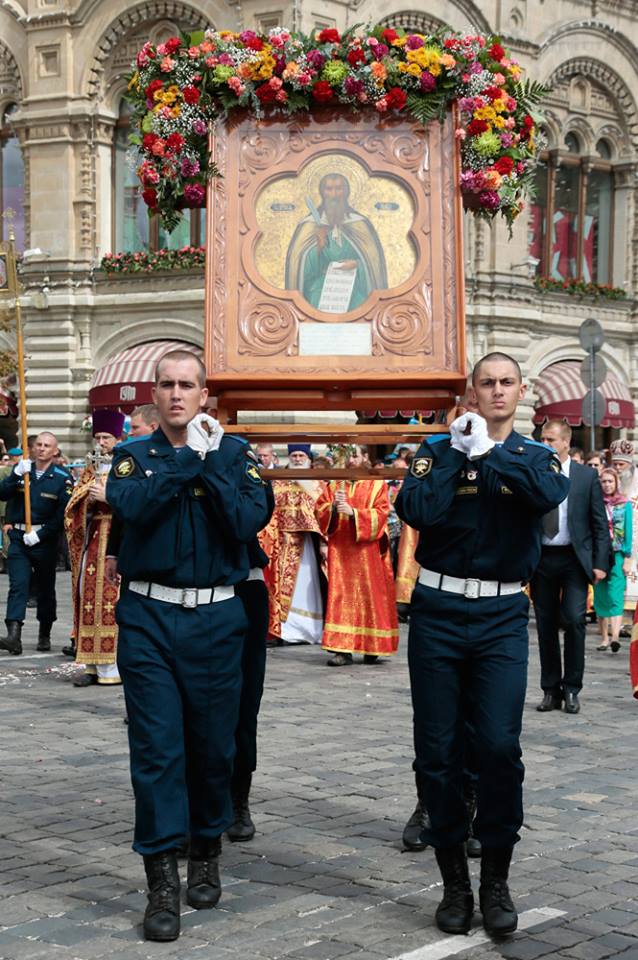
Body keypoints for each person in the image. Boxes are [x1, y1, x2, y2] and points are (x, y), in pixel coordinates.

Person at [395, 353, 569, 937]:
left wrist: (491, 453)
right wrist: (457, 454)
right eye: (487, 383)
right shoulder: (436, 451)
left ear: (521, 391)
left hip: (500, 615)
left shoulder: (534, 455)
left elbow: (547, 495)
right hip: (439, 611)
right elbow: (416, 509)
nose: (496, 391)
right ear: (472, 391)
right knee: (437, 752)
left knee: (497, 747)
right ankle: (453, 883)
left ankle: (496, 879)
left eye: (506, 383)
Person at [105, 349, 273, 942]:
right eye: (167, 384)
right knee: (156, 750)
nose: (177, 394)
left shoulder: (235, 455)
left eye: (187, 385)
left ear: (205, 396)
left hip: (217, 619)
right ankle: (160, 881)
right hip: (149, 617)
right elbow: (132, 507)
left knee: (212, 747)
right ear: (154, 394)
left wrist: (211, 461)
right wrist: (185, 461)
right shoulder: (132, 457)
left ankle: (205, 849)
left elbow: (247, 522)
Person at [533, 419, 610, 715]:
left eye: (550, 439)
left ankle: (572, 688)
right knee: (545, 624)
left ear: (566, 442)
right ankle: (550, 689)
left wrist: (600, 563)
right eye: (542, 439)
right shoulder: (536, 472)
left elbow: (599, 523)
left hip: (574, 559)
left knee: (575, 619)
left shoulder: (585, 477)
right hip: (542, 558)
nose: (545, 444)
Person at [315, 445, 399, 666]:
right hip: (341, 551)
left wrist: (354, 513)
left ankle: (372, 645)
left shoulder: (376, 484)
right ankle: (341, 649)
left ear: (365, 457)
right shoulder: (335, 485)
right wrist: (333, 508)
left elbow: (382, 513)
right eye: (348, 456)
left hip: (367, 552)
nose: (351, 460)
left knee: (370, 597)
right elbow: (320, 510)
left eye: (355, 455)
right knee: (341, 597)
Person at [65, 410, 125, 685]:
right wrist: (86, 503)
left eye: (106, 437)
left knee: (111, 599)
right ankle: (91, 664)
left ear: (118, 438)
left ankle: (112, 667)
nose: (101, 443)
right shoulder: (91, 467)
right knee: (86, 595)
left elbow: (136, 500)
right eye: (98, 437)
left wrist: (108, 496)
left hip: (117, 536)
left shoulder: (126, 464)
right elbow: (73, 505)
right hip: (93, 537)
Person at [0, 432, 72, 654]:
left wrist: (40, 535)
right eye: (38, 444)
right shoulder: (22, 470)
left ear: (55, 451)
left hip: (44, 540)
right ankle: (14, 635)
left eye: (47, 445)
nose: (41, 448)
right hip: (19, 538)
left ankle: (44, 632)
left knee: (45, 589)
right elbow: (2, 494)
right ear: (32, 448)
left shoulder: (62, 477)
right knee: (18, 585)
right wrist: (14, 476)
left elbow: (63, 515)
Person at [285, 172, 388, 311]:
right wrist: (318, 246)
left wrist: (357, 264)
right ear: (322, 193)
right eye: (329, 189)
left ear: (346, 192)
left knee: (359, 304)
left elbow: (374, 261)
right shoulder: (309, 225)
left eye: (339, 189)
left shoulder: (359, 223)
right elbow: (299, 266)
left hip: (353, 283)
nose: (334, 194)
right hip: (321, 287)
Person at [259, 444, 325, 646]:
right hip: (281, 542)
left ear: (308, 458)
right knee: (279, 588)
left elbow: (323, 510)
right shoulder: (279, 479)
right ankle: (283, 630)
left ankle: (307, 630)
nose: (297, 459)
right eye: (294, 455)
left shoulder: (316, 482)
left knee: (305, 588)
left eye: (301, 455)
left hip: (305, 544)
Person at [594, 468, 632, 653]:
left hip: (617, 553)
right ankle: (604, 638)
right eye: (604, 481)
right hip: (599, 554)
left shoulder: (624, 504)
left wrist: (627, 557)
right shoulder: (596, 502)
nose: (607, 485)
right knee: (600, 594)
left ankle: (615, 636)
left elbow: (628, 531)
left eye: (610, 481)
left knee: (616, 593)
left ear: (616, 483)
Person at [608, 440, 638, 634]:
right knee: (620, 582)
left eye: (621, 464)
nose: (618, 468)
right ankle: (621, 623)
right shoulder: (610, 482)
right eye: (615, 464)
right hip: (618, 542)